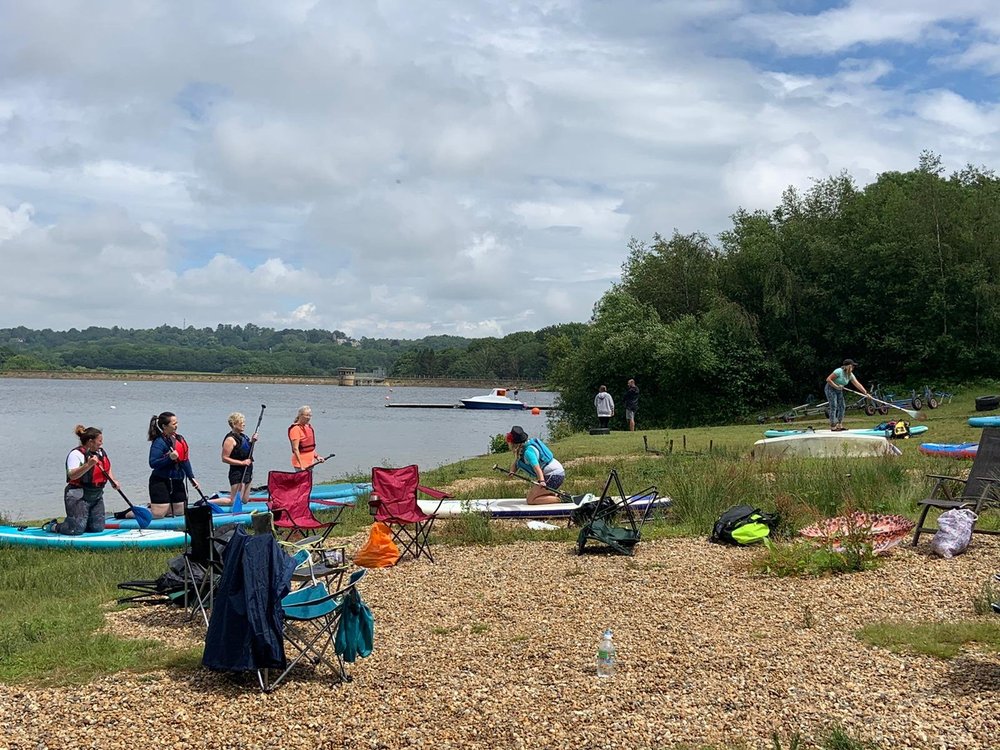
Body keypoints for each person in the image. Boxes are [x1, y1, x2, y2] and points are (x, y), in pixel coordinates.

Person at [45, 425, 121, 535]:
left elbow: (107, 468)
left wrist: (113, 481)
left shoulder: (100, 453)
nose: (101, 444)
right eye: (99, 441)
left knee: (97, 528)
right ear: (90, 442)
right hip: (78, 496)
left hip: (96, 496)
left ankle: (82, 523)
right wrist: (88, 465)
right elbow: (72, 475)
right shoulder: (76, 454)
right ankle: (54, 526)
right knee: (75, 530)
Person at [148, 411, 200, 518]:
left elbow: (185, 460)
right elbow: (153, 463)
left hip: (177, 480)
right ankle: (129, 513)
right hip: (160, 481)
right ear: (164, 426)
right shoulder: (159, 442)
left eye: (177, 423)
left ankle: (160, 507)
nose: (176, 426)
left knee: (180, 511)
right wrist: (169, 458)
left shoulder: (179, 439)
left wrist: (191, 477)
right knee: (158, 514)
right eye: (174, 424)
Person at [506, 425, 566, 505]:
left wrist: (542, 481)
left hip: (554, 475)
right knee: (535, 496)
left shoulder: (528, 452)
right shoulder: (524, 447)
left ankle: (561, 499)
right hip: (554, 473)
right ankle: (557, 495)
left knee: (531, 500)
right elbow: (517, 462)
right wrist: (512, 471)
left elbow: (537, 468)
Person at [220, 412, 258, 505]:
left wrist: (252, 441)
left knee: (244, 500)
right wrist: (242, 463)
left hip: (247, 470)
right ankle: (206, 502)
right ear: (234, 424)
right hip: (237, 472)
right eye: (241, 422)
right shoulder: (230, 439)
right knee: (234, 501)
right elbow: (224, 458)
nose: (244, 424)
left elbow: (246, 451)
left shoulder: (244, 437)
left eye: (244, 422)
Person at [825, 359, 870, 431]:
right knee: (834, 405)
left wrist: (866, 393)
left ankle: (839, 424)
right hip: (830, 388)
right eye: (852, 366)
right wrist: (836, 386)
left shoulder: (850, 375)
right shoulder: (838, 371)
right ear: (848, 366)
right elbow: (828, 379)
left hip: (839, 390)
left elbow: (857, 384)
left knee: (842, 406)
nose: (853, 368)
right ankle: (833, 426)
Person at [289, 405, 325, 470]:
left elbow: (308, 446)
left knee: (309, 480)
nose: (308, 418)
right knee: (302, 480)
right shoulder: (295, 429)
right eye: (306, 415)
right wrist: (301, 465)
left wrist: (317, 456)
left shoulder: (308, 427)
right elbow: (295, 449)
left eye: (310, 415)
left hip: (310, 463)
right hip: (300, 464)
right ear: (300, 415)